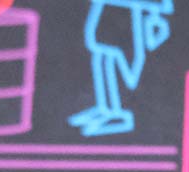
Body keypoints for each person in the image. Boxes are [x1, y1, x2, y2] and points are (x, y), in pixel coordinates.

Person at [69, 0, 173, 137]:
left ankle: (116, 113)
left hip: (124, 20)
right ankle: (105, 109)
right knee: (102, 57)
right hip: (108, 16)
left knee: (116, 60)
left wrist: (155, 11)